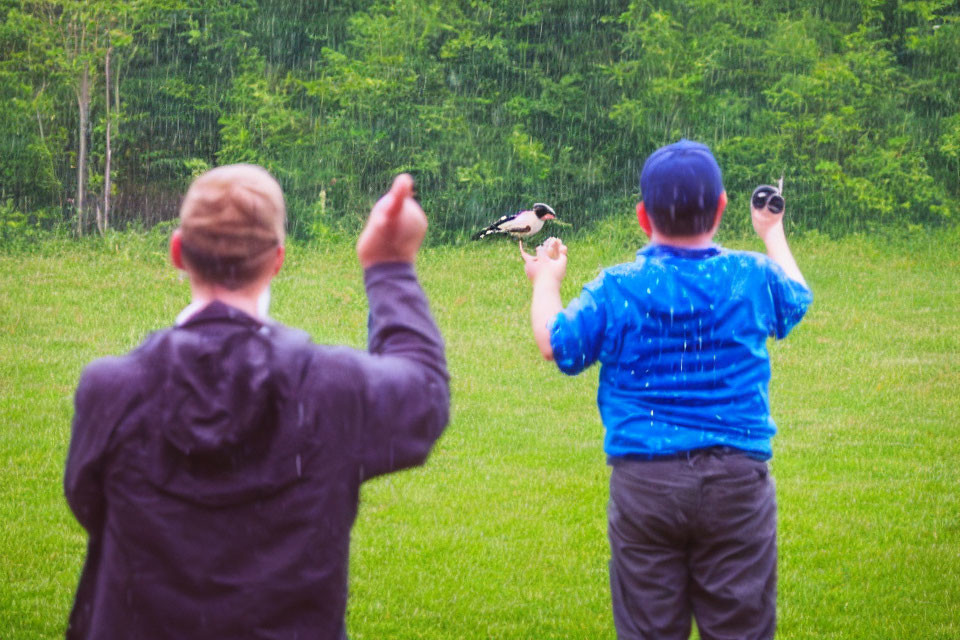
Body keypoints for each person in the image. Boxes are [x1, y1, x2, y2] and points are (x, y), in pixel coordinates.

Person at [64, 165, 449, 639]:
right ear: (277, 260)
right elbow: (425, 394)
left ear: (178, 252)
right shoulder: (330, 390)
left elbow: (87, 501)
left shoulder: (111, 389)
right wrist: (389, 266)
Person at [521, 140, 812, 640]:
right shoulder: (750, 276)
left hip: (646, 486)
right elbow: (796, 298)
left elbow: (556, 345)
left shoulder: (618, 288)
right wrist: (772, 231)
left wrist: (546, 280)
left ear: (641, 216)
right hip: (737, 485)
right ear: (721, 207)